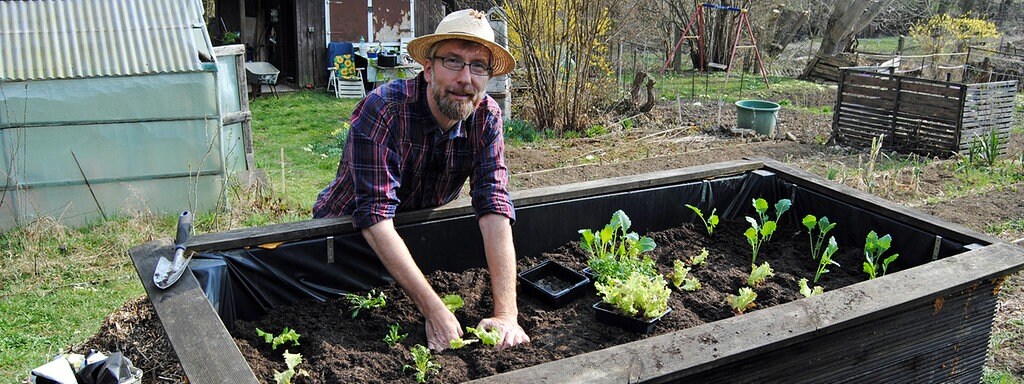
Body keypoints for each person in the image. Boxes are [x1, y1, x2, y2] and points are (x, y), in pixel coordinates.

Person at [312, 9, 529, 352]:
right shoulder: (383, 110)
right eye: (453, 61)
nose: (466, 79)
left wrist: (507, 315)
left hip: (411, 236)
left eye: (478, 66)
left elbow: (494, 206)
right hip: (345, 240)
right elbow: (375, 218)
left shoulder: (486, 117)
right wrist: (434, 309)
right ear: (428, 69)